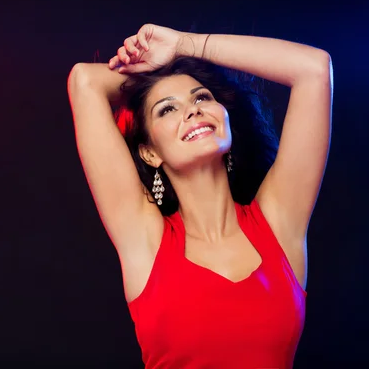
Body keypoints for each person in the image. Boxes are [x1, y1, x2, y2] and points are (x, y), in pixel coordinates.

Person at [67, 23, 333, 369]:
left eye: (202, 97)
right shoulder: (145, 240)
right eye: (167, 109)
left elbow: (313, 70)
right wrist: (157, 71)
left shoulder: (279, 223)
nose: (192, 109)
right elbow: (85, 81)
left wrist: (183, 46)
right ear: (150, 153)